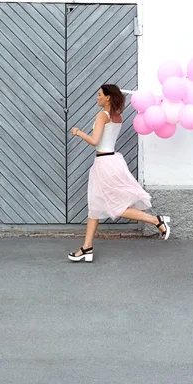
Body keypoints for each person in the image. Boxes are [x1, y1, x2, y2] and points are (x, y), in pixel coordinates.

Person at [68, 84, 171, 262]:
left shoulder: (102, 115)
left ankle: (156, 220)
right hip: (110, 161)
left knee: (115, 207)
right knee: (94, 206)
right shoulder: (118, 117)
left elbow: (94, 141)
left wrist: (79, 133)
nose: (97, 97)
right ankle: (87, 248)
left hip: (104, 163)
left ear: (108, 97)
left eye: (99, 94)